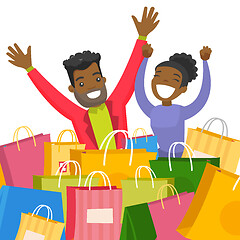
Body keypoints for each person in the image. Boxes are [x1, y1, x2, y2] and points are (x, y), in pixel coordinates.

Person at [6, 7, 159, 150]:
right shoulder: (78, 116)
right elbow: (54, 97)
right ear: (72, 89)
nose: (91, 87)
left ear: (104, 80)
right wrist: (30, 69)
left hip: (124, 165)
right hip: (91, 170)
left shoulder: (117, 104)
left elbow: (130, 76)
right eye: (81, 83)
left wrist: (142, 37)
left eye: (96, 79)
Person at [135, 43, 212, 157]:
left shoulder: (180, 112)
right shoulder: (153, 111)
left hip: (179, 156)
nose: (164, 81)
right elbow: (139, 90)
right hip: (159, 155)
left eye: (174, 79)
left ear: (182, 89)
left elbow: (202, 96)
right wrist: (144, 59)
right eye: (158, 76)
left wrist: (205, 62)